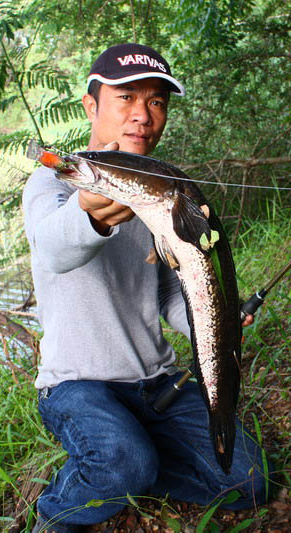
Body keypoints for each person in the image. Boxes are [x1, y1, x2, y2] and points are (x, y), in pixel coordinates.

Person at [22, 43, 270, 532]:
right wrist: (90, 213)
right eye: (126, 98)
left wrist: (215, 316)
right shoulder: (53, 183)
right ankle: (57, 512)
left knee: (250, 481)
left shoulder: (163, 194)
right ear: (92, 106)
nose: (142, 115)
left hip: (155, 381)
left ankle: (133, 471)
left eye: (156, 102)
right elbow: (54, 250)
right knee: (123, 461)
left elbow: (163, 294)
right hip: (76, 385)